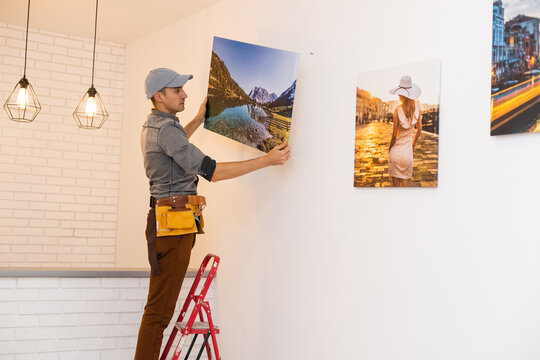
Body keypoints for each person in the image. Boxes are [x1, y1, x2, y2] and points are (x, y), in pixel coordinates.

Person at [135, 68, 291, 359]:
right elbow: (213, 172)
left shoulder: (155, 124)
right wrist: (267, 160)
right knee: (159, 314)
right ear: (160, 96)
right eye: (177, 90)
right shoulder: (167, 130)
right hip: (174, 225)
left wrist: (197, 118)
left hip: (165, 221)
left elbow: (176, 145)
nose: (184, 94)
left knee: (157, 311)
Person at [388, 75, 423, 187]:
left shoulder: (397, 111)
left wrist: (389, 148)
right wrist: (412, 145)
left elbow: (394, 136)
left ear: (402, 94)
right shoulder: (417, 107)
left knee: (396, 189)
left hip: (396, 153)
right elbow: (420, 129)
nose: (398, 95)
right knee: (405, 190)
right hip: (407, 154)